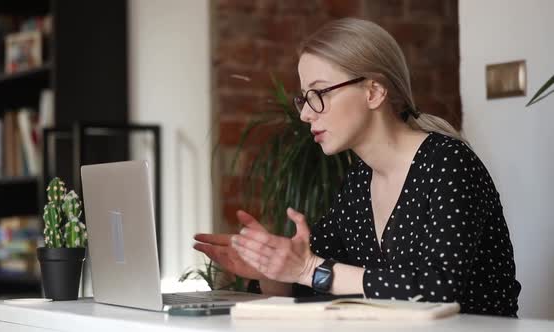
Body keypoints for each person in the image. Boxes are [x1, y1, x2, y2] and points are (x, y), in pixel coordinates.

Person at [194, 18, 521, 317]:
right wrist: (269, 269)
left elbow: (438, 291)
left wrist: (306, 268)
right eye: (304, 98)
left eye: (319, 93)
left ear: (374, 92)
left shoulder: (448, 163)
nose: (306, 113)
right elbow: (313, 282)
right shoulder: (360, 180)